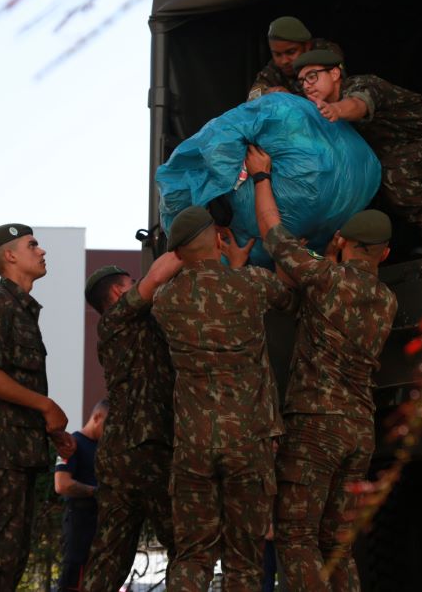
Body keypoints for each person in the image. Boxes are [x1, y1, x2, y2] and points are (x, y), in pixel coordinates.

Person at [246, 145, 399, 591]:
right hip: (359, 430)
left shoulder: (326, 277)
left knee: (295, 537)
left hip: (316, 426)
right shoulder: (386, 301)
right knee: (337, 545)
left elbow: (274, 238)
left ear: (341, 240)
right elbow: (324, 293)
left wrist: (260, 177)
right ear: (385, 255)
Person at [151, 206, 293, 592]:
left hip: (194, 444)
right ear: (217, 237)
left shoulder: (164, 301)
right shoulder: (251, 284)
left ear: (177, 253)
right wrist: (238, 265)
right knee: (244, 562)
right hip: (249, 440)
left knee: (193, 556)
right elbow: (287, 298)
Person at [0, 223, 75, 591]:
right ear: (10, 256)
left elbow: (14, 387)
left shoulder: (21, 309)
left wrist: (51, 430)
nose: (42, 251)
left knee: (11, 561)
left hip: (16, 454)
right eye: (32, 245)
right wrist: (47, 405)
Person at [81, 257, 182, 592]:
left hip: (121, 454)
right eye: (130, 282)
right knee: (185, 544)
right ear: (116, 291)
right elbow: (157, 276)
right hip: (147, 448)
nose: (138, 283)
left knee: (111, 552)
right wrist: (188, 241)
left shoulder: (136, 322)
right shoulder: (118, 317)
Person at [293, 48, 422, 245]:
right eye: (302, 82)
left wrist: (336, 109)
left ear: (334, 73)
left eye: (312, 76)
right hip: (401, 155)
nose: (307, 86)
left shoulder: (364, 85)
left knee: (393, 171)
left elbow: (358, 105)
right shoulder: (322, 113)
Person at [55, 399, 107, 592]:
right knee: (72, 580)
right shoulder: (71, 443)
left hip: (100, 526)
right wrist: (96, 491)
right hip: (79, 523)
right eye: (108, 425)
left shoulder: (104, 449)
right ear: (97, 417)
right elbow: (61, 484)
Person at [248, 16, 342, 100]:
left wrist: (292, 99)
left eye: (291, 52)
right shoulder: (274, 68)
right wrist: (268, 93)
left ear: (307, 46)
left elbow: (336, 90)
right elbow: (252, 96)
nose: (284, 61)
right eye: (277, 54)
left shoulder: (325, 53)